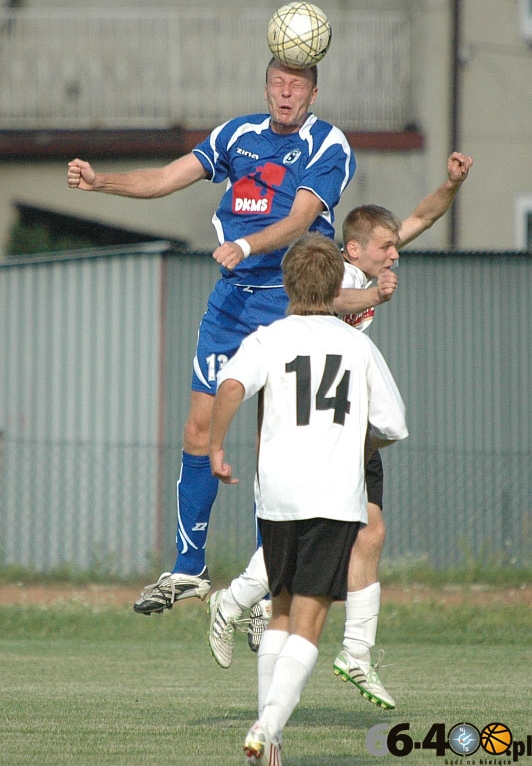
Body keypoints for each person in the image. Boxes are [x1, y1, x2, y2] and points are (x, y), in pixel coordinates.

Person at [67, 57, 356, 614]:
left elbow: (300, 220)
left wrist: (248, 246)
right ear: (266, 86)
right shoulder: (237, 134)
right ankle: (187, 568)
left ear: (314, 92)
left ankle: (262, 586)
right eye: (277, 82)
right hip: (231, 302)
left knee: (275, 442)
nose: (285, 93)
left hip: (289, 301)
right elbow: (165, 177)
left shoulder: (329, 144)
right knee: (198, 426)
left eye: (296, 85)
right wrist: (101, 182)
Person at [208, 152, 473, 710]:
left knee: (364, 533)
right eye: (385, 247)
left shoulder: (368, 264)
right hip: (313, 428)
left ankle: (347, 649)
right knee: (327, 529)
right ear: (354, 250)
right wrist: (372, 295)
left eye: (395, 246)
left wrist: (451, 185)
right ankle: (241, 603)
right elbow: (322, 303)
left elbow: (422, 216)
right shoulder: (338, 274)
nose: (395, 254)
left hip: (345, 429)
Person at [208, 233, 408, 765]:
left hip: (275, 497)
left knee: (278, 610)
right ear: (336, 285)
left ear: (288, 284)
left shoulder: (268, 338)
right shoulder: (358, 346)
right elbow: (392, 423)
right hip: (334, 497)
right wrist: (351, 439)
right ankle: (266, 725)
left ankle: (270, 747)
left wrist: (215, 449)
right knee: (309, 619)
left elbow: (229, 388)